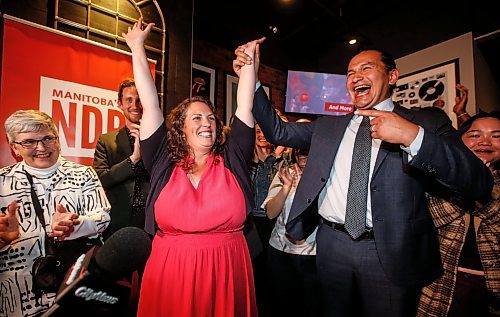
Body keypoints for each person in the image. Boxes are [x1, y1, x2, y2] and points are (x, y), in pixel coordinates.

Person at [234, 42, 493, 316]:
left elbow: (476, 181)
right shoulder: (329, 126)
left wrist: (412, 137)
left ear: (392, 76)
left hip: (390, 251)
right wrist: (252, 77)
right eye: (350, 72)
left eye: (366, 68)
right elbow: (278, 132)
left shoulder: (424, 123)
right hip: (331, 244)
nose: (356, 76)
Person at [123, 19, 258, 316]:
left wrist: (249, 66)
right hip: (170, 268)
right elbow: (149, 102)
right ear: (180, 129)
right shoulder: (161, 160)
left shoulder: (232, 157)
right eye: (196, 118)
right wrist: (137, 47)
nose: (206, 122)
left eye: (210, 117)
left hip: (227, 266)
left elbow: (244, 107)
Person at [0, 110, 110, 317]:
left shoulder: (83, 174)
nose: (41, 148)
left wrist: (76, 225)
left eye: (47, 138)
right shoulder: (2, 181)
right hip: (18, 295)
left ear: (57, 138)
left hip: (73, 288)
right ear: (14, 147)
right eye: (29, 142)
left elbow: (102, 217)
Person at [417, 112, 500, 317]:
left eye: (496, 136)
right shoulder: (435, 177)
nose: (485, 142)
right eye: (475, 135)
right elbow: (434, 217)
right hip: (440, 286)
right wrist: (470, 179)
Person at [262, 134, 321, 317]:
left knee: (312, 307)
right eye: (298, 148)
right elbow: (271, 212)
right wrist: (286, 188)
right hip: (281, 252)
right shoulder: (285, 173)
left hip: (315, 255)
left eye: (307, 147)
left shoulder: (326, 175)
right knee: (282, 306)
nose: (302, 152)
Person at [93, 78, 151, 240]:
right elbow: (101, 179)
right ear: (119, 104)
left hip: (152, 220)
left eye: (139, 100)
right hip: (119, 221)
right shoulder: (106, 141)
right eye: (129, 100)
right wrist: (134, 159)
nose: (135, 105)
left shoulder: (160, 139)